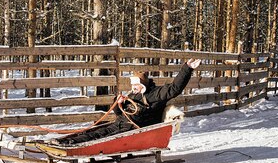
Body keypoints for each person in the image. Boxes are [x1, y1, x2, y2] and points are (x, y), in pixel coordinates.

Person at [54, 58, 202, 145]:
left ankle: (73, 144)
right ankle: (67, 140)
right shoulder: (134, 94)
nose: (133, 88)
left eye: (135, 85)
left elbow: (175, 88)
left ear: (143, 84)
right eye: (132, 86)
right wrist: (118, 104)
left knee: (101, 135)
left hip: (135, 128)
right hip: (122, 123)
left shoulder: (155, 94)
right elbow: (120, 112)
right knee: (96, 129)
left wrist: (186, 69)